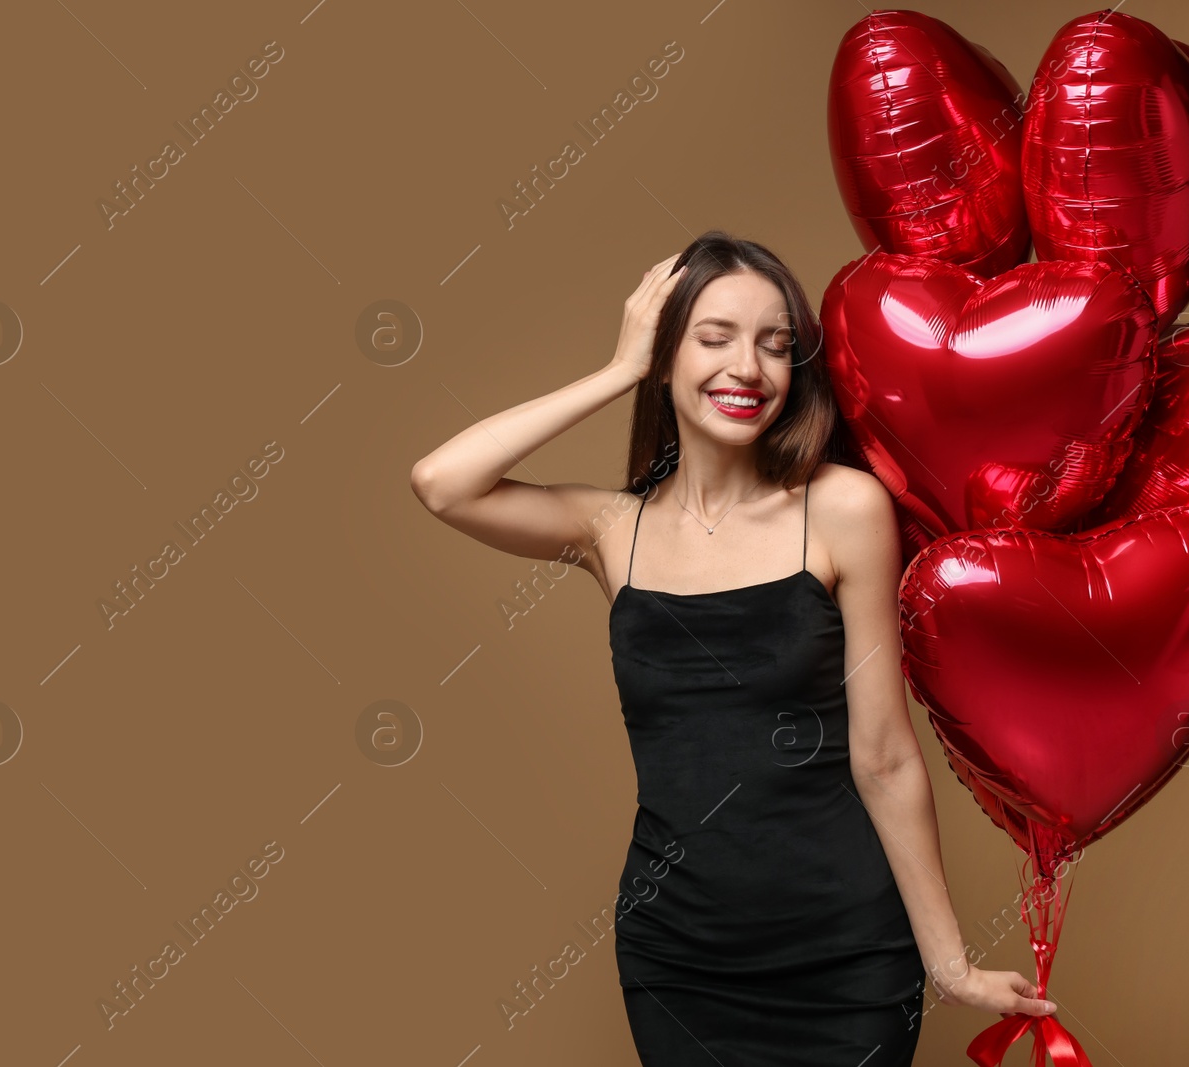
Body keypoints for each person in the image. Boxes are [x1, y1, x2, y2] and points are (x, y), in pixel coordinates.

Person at [410, 230, 1057, 1065]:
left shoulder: (842, 509)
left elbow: (885, 755)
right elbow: (442, 482)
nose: (747, 368)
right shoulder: (615, 530)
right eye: (714, 338)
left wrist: (951, 963)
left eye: (775, 344)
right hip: (679, 956)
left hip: (844, 954)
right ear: (665, 356)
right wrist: (616, 371)